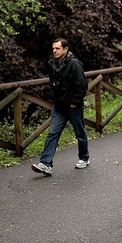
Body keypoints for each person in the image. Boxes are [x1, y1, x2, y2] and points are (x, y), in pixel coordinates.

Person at [31, 38, 90, 175]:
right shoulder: (52, 64)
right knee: (53, 133)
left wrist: (75, 102)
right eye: (53, 48)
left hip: (73, 105)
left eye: (57, 48)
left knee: (79, 132)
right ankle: (45, 164)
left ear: (65, 49)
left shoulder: (74, 63)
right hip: (58, 106)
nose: (54, 51)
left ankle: (84, 157)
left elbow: (82, 85)